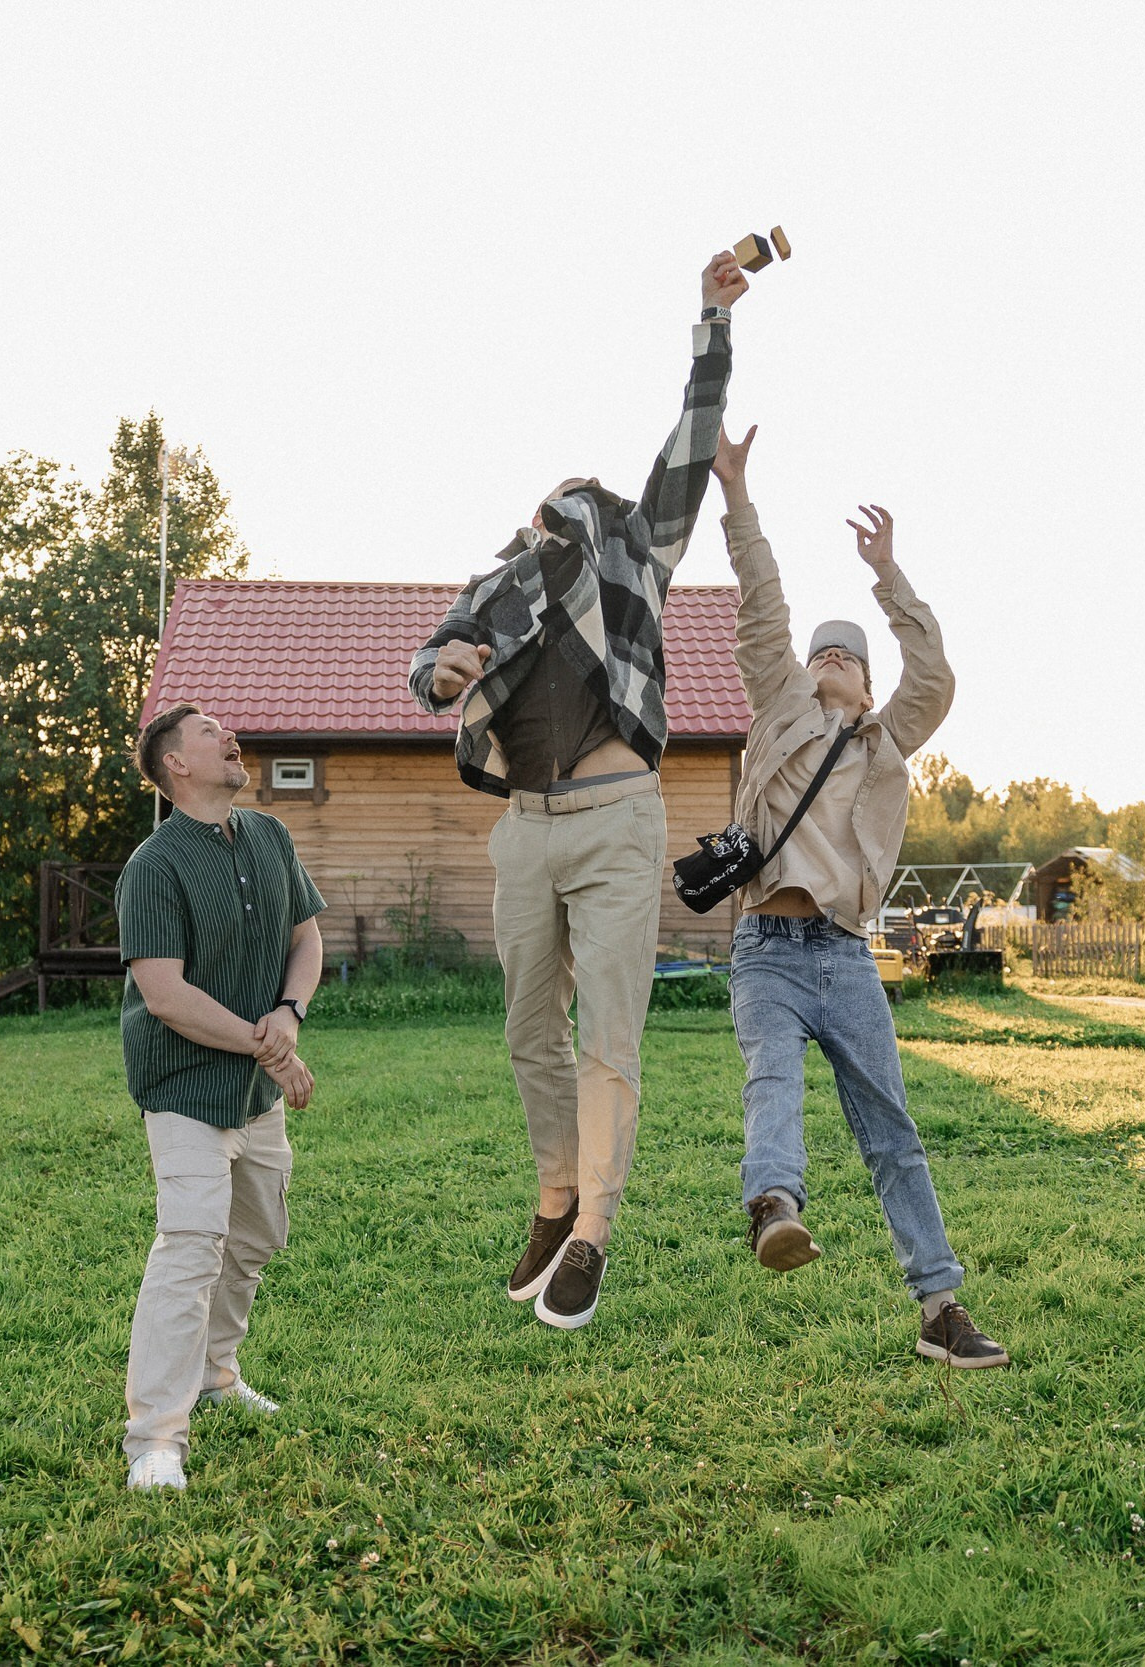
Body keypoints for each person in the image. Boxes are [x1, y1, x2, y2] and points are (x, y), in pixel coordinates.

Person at [406, 252, 743, 1330]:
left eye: (586, 502)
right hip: (523, 828)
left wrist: (711, 323)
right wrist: (442, 675)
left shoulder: (638, 553)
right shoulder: (493, 581)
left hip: (614, 821)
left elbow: (687, 438)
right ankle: (553, 1191)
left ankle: (594, 1222)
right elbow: (431, 666)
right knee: (524, 1028)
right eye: (559, 505)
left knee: (610, 1032)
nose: (575, 508)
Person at [709, 425, 1008, 1369]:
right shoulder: (779, 713)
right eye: (822, 651)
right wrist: (738, 494)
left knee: (893, 1132)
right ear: (804, 670)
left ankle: (941, 1311)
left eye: (850, 654)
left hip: (844, 956)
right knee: (773, 1081)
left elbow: (939, 676)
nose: (833, 656)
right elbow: (762, 605)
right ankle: (775, 1206)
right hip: (766, 947)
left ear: (869, 682)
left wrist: (888, 576)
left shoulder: (885, 745)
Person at [115, 703, 324, 1491]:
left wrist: (289, 1016)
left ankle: (218, 1373)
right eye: (210, 733)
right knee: (192, 1240)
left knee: (258, 1234)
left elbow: (306, 939)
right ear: (175, 764)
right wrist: (270, 1044)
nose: (230, 738)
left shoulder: (269, 836)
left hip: (253, 1088)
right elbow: (164, 993)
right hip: (182, 1084)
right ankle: (156, 1437)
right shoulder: (154, 866)